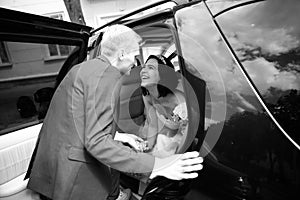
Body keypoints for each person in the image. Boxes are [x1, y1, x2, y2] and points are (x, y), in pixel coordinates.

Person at [26, 25, 203, 200]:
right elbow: (96, 142)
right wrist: (158, 165)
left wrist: (120, 137)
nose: (136, 64)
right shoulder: (107, 75)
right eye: (134, 56)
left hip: (51, 170)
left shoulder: (80, 69)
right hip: (74, 179)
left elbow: (75, 122)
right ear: (122, 54)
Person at [138, 55, 187, 158]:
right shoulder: (147, 96)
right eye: (144, 67)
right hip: (167, 135)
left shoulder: (179, 101)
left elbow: (188, 135)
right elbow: (152, 124)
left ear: (163, 75)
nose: (143, 71)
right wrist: (149, 147)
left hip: (184, 140)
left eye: (150, 68)